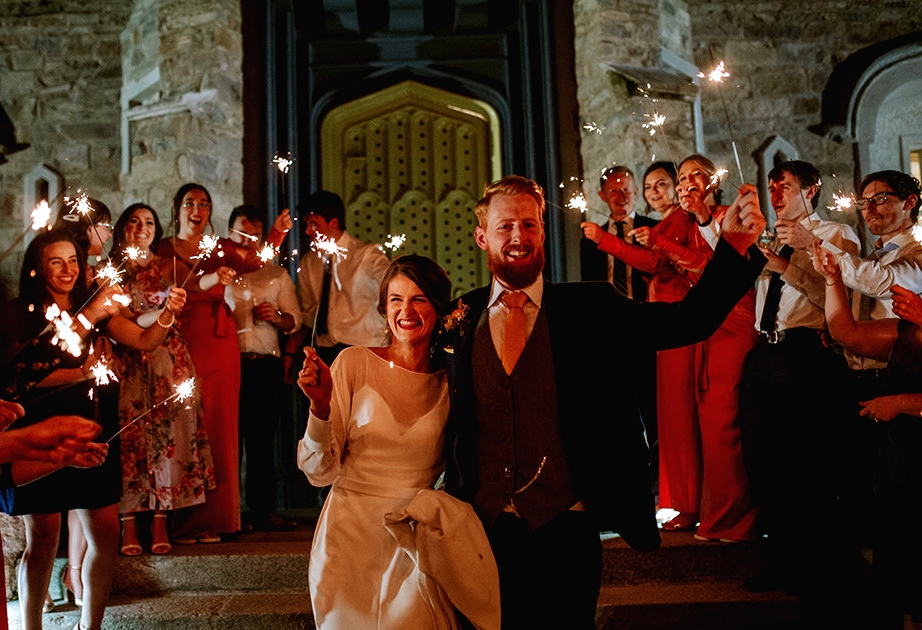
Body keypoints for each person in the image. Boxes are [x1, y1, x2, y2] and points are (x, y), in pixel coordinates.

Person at [444, 174, 767, 628]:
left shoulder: (591, 306)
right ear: (482, 236)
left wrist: (732, 248)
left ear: (542, 231)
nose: (518, 236)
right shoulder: (458, 317)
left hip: (568, 526)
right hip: (481, 527)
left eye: (529, 225)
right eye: (505, 227)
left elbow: (689, 321)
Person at [296, 255, 499, 629]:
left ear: (440, 308)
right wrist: (321, 407)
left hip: (413, 537)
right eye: (395, 299)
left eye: (418, 299)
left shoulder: (452, 383)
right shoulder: (353, 363)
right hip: (348, 537)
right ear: (384, 308)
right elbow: (319, 471)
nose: (405, 310)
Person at [0, 229, 187, 630]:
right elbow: (23, 375)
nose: (68, 270)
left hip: (92, 429)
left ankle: (91, 624)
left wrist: (168, 313)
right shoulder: (21, 315)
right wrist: (81, 371)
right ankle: (30, 626)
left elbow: (144, 340)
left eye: (73, 261)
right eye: (56, 261)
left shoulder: (96, 307)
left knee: (105, 534)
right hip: (42, 431)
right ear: (37, 267)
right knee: (44, 538)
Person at [739, 161, 861, 595]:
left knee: (805, 461)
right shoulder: (768, 235)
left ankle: (819, 564)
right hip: (763, 352)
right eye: (771, 187)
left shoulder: (834, 234)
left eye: (784, 187)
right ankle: (779, 560)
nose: (776, 195)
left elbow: (835, 294)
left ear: (810, 191)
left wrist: (784, 265)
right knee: (762, 459)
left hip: (804, 350)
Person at [158, 183, 291, 541]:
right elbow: (166, 286)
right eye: (189, 203)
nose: (196, 209)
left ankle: (220, 518)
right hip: (181, 337)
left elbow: (257, 260)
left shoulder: (221, 248)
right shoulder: (164, 249)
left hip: (220, 340)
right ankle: (183, 519)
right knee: (184, 425)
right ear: (177, 209)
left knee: (220, 426)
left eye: (204, 203)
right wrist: (212, 279)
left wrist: (278, 231)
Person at [814, 244, 922, 629]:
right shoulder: (913, 324)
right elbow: (851, 335)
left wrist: (901, 403)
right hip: (902, 460)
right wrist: (832, 282)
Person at [580, 161, 694, 505]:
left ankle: (664, 490)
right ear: (602, 195)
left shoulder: (655, 227)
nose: (622, 196)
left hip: (650, 325)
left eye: (628, 190)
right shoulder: (589, 237)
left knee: (657, 408)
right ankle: (626, 491)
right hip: (610, 334)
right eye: (614, 190)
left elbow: (657, 266)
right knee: (616, 413)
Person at [108, 203, 215, 556]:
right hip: (129, 361)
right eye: (135, 222)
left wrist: (219, 276)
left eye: (149, 222)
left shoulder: (167, 265)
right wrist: (163, 312)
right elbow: (130, 321)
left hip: (170, 362)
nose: (143, 228)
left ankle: (159, 520)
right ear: (123, 229)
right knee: (131, 441)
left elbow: (198, 281)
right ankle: (127, 526)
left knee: (169, 437)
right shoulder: (110, 273)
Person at [225, 204, 301, 531]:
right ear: (228, 235)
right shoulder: (219, 271)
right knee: (227, 440)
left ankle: (263, 510)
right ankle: (227, 514)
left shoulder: (276, 274)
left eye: (255, 235)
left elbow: (295, 321)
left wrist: (277, 317)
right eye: (242, 234)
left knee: (260, 441)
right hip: (228, 364)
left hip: (265, 362)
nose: (248, 240)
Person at [286, 190, 390, 369]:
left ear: (333, 222)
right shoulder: (309, 262)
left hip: (365, 348)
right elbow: (309, 314)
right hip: (326, 352)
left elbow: (393, 291)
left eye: (313, 224)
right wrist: (290, 353)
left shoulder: (367, 255)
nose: (308, 231)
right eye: (306, 224)